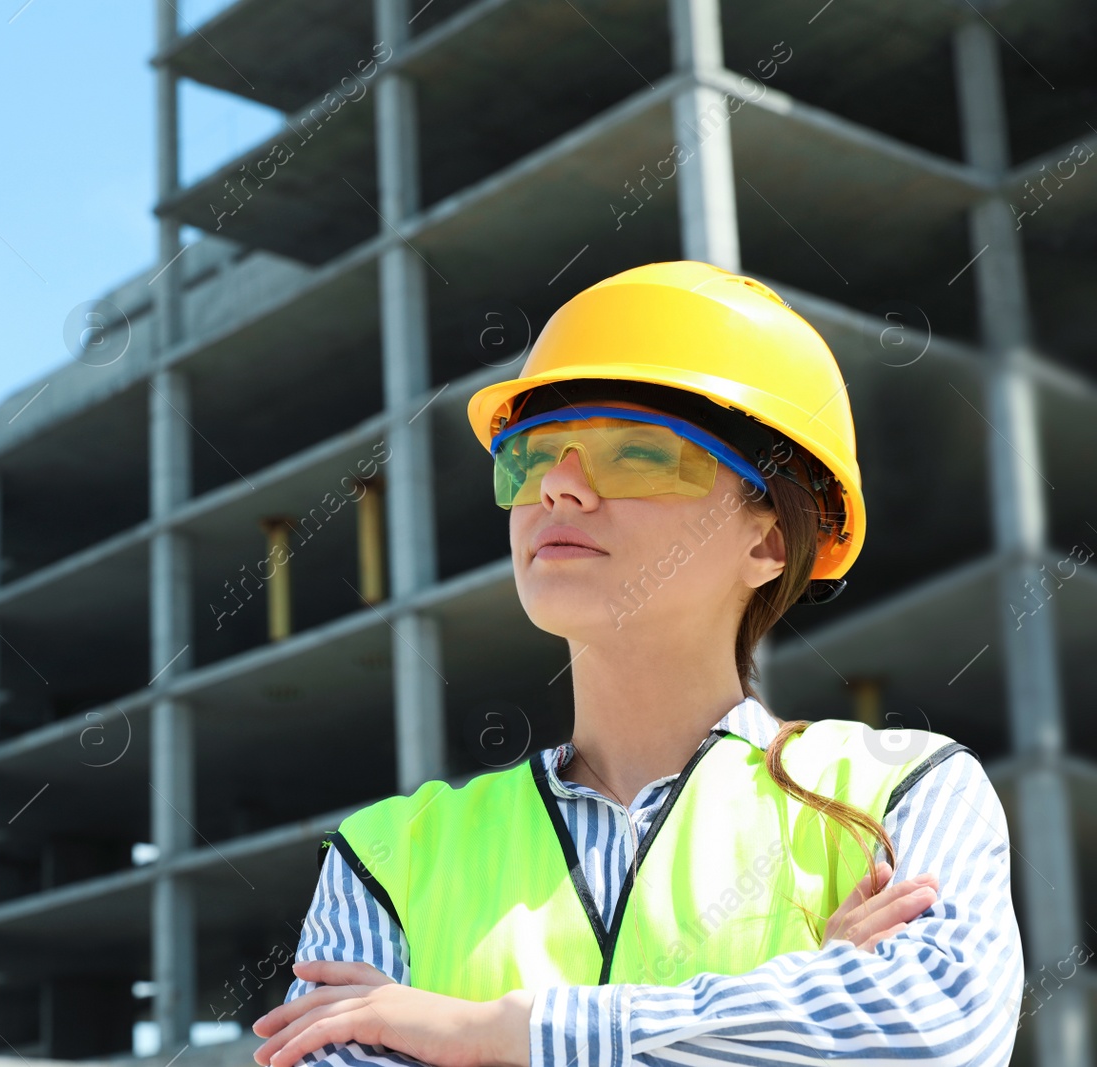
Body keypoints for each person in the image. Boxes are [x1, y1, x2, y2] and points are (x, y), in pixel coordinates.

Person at [250, 261, 1023, 1067]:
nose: (559, 487)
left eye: (637, 455)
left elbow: (932, 1030)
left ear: (770, 540)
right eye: (532, 456)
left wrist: (498, 1032)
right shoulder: (384, 857)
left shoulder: (903, 788)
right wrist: (798, 1003)